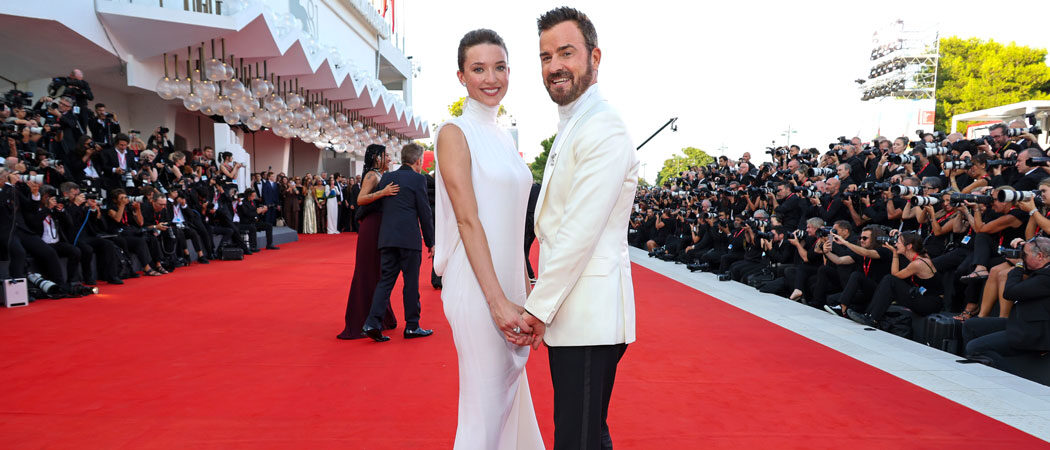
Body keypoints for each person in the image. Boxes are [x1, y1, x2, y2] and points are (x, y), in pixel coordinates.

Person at [522, 8, 639, 450]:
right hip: (575, 314)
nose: (554, 66)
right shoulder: (574, 123)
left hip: (589, 315)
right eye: (546, 56)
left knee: (577, 438)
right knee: (585, 433)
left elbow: (579, 233)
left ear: (595, 57)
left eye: (566, 53)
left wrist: (537, 308)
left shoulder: (603, 127)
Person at [433, 29, 544, 449]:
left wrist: (528, 288)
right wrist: (497, 300)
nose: (490, 77)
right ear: (461, 76)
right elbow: (468, 221)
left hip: (511, 283)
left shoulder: (503, 137)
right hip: (478, 289)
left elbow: (514, 222)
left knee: (512, 402)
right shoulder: (453, 133)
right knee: (486, 409)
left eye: (499, 67)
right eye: (478, 68)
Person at [361, 143, 435, 342]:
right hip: (409, 239)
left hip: (387, 238)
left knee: (385, 282)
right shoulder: (418, 179)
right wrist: (431, 242)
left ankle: (372, 322)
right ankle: (412, 326)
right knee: (411, 284)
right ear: (418, 161)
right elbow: (424, 212)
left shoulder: (387, 177)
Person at [336, 145, 399, 340]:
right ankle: (360, 321)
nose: (389, 158)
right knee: (367, 273)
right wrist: (383, 193)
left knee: (377, 272)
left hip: (379, 227)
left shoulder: (381, 175)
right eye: (386, 155)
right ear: (376, 158)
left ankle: (377, 317)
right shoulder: (372, 176)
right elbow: (361, 199)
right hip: (371, 228)